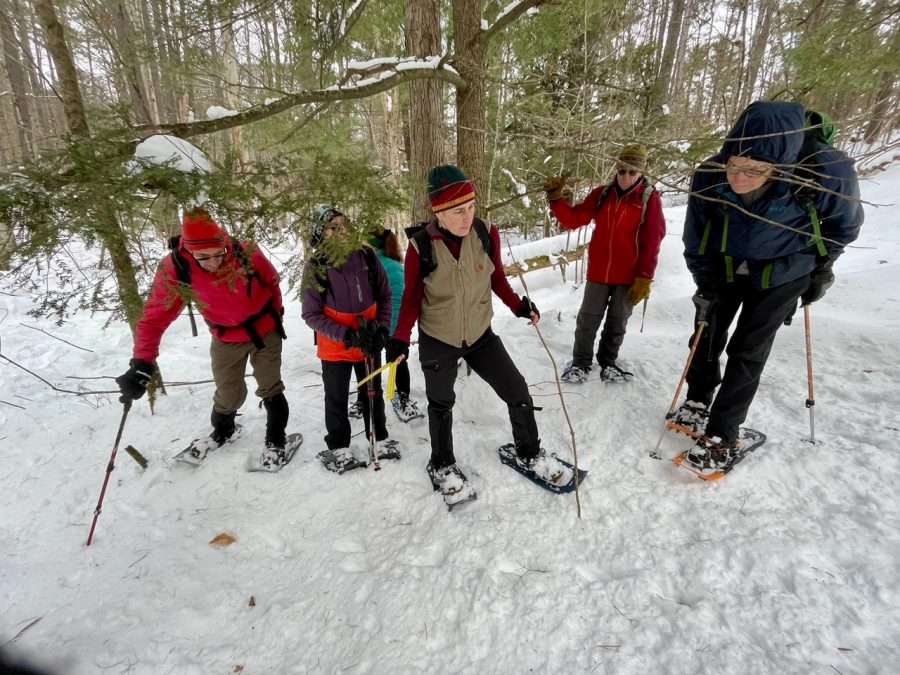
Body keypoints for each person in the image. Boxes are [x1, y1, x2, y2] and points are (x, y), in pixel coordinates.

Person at [674, 100, 863, 472]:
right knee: (706, 332)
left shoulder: (823, 172)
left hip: (784, 273)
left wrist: (821, 270)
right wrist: (703, 278)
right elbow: (695, 235)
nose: (739, 178)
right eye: (735, 166)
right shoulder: (711, 174)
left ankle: (722, 433)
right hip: (725, 268)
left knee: (748, 349)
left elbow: (844, 226)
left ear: (780, 166)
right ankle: (698, 397)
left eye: (755, 170)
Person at [387, 164, 573, 502]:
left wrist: (518, 306)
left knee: (517, 389)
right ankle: (442, 464)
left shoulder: (486, 233)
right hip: (438, 339)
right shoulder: (421, 247)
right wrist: (400, 337)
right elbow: (412, 299)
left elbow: (497, 278)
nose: (467, 217)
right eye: (458, 211)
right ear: (438, 212)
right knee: (441, 404)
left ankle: (529, 451)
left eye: (471, 207)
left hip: (479, 336)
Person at [115, 208, 290, 469]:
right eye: (203, 257)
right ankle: (223, 431)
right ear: (188, 250)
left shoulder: (245, 251)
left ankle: (276, 439)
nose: (213, 262)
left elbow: (271, 282)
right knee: (228, 392)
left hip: (265, 331)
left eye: (218, 254)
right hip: (224, 337)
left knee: (270, 384)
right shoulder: (176, 267)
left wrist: (277, 317)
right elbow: (154, 317)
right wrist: (142, 362)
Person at [544, 144, 666, 384]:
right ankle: (580, 363)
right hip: (599, 273)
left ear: (641, 173)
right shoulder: (602, 194)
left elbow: (653, 239)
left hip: (629, 276)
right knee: (587, 320)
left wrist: (644, 276)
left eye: (632, 172)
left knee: (617, 322)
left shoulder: (648, 199)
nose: (626, 177)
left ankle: (608, 362)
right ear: (616, 170)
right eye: (622, 171)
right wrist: (556, 199)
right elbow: (575, 219)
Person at [300, 205, 399, 472]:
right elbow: (310, 314)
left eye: (344, 225)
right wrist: (346, 334)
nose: (341, 231)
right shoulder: (316, 265)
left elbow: (385, 295)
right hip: (336, 344)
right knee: (336, 396)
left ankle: (379, 435)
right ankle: (338, 446)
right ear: (321, 232)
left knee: (373, 391)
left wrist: (382, 328)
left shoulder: (366, 255)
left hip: (369, 337)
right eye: (333, 227)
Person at [350, 227, 423, 423]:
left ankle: (370, 399)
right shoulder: (394, 265)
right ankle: (399, 396)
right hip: (395, 325)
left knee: (370, 365)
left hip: (379, 325)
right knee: (396, 362)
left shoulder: (369, 267)